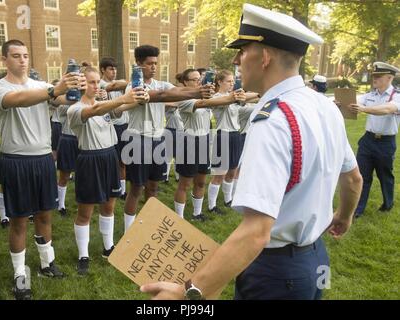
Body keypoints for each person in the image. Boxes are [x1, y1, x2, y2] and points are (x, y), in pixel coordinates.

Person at [141, 3, 362, 300]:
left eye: (243, 50)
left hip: (275, 272)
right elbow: (353, 179)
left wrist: (188, 292)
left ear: (265, 57)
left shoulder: (272, 118)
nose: (236, 60)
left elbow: (256, 231)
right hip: (315, 259)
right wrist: (343, 216)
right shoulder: (325, 106)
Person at [0, 39, 85, 300]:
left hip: (43, 159)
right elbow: (19, 100)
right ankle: (21, 275)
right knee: (19, 221)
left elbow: (64, 98)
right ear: (4, 59)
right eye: (16, 56)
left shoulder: (41, 85)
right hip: (16, 160)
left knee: (44, 215)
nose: (22, 60)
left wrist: (77, 88)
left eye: (26, 55)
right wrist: (55, 90)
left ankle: (46, 264)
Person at [122, 45, 213, 233]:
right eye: (149, 63)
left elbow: (176, 91)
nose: (154, 67)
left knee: (153, 186)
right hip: (138, 140)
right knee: (136, 188)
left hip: (157, 139)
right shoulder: (134, 85)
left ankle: (150, 224)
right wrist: (198, 92)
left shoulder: (160, 83)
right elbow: (162, 96)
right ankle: (127, 231)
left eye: (156, 63)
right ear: (139, 64)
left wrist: (198, 90)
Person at [67, 63, 148, 275]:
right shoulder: (75, 109)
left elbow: (119, 109)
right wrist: (121, 98)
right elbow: (95, 110)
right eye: (91, 82)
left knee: (109, 206)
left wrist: (139, 99)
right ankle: (83, 255)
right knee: (85, 211)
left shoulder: (104, 105)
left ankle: (108, 247)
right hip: (89, 159)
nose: (96, 86)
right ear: (82, 84)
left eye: (97, 82)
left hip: (109, 156)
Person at [173, 69, 247, 222]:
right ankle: (179, 219)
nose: (198, 82)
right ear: (185, 82)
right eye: (194, 80)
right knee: (185, 183)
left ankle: (196, 214)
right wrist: (233, 96)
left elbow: (211, 101)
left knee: (200, 181)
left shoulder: (205, 95)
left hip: (204, 140)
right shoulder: (185, 98)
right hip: (188, 141)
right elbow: (206, 103)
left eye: (199, 79)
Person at [344, 62, 400, 218]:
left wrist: (364, 109)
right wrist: (340, 103)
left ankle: (387, 204)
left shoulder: (396, 95)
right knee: (362, 175)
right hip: (368, 141)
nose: (374, 78)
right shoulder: (370, 95)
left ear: (389, 77)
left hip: (386, 143)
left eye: (378, 76)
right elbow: (354, 101)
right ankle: (358, 209)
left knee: (385, 175)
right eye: (373, 75)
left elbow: (388, 109)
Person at [207, 70, 258, 214]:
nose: (232, 83)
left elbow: (244, 104)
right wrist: (254, 94)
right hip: (223, 135)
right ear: (219, 82)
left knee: (232, 171)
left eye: (233, 81)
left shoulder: (235, 97)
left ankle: (228, 200)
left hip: (235, 134)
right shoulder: (216, 97)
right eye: (229, 81)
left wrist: (259, 96)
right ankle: (212, 206)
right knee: (220, 174)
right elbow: (232, 99)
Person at [100, 57, 129, 200]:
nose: (114, 71)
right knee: (114, 162)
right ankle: (111, 187)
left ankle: (122, 191)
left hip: (124, 125)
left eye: (115, 68)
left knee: (124, 160)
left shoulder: (119, 84)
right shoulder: (100, 85)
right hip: (111, 126)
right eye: (110, 69)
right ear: (102, 70)